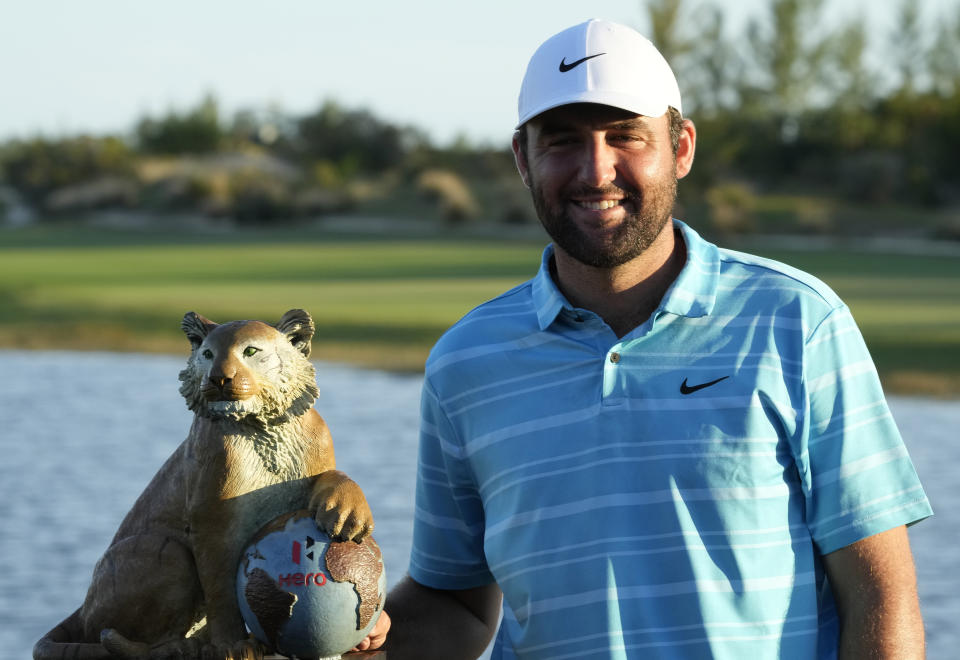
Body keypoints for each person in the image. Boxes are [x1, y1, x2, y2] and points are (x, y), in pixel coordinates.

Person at [357, 18, 933, 659]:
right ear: (523, 158)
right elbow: (458, 605)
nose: (595, 170)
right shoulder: (466, 362)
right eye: (563, 141)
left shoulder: (797, 322)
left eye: (625, 136)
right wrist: (351, 636)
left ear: (681, 147)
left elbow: (882, 599)